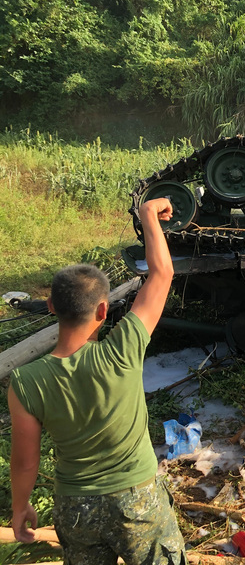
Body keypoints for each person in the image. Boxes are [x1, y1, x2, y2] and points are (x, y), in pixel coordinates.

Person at [8, 197, 186, 564]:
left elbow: (25, 462)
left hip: (76, 509)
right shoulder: (123, 349)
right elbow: (162, 274)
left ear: (52, 308)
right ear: (104, 310)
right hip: (139, 503)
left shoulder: (26, 381)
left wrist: (21, 506)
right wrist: (148, 213)